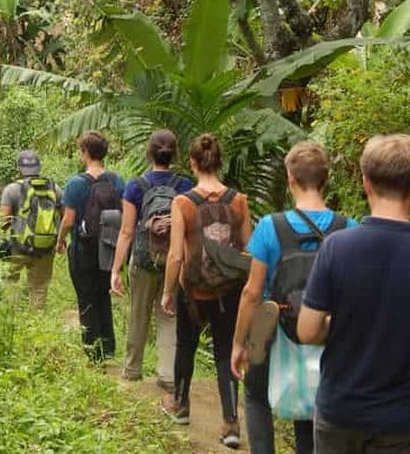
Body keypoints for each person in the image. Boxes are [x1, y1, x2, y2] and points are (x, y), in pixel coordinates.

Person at [298, 134, 410, 454]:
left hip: (340, 411)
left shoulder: (336, 248)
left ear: (366, 182)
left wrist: (350, 328)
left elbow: (307, 331)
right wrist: (408, 337)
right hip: (402, 419)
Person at [230, 141, 357, 454]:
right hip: (326, 332)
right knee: (313, 405)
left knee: (256, 396)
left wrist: (239, 343)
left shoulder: (270, 227)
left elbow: (251, 293)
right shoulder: (349, 229)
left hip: (272, 330)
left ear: (290, 178)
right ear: (326, 179)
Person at [160, 133, 252, 448]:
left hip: (193, 292)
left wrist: (167, 291)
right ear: (219, 162)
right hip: (229, 291)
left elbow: (176, 255)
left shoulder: (183, 202)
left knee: (185, 346)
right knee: (226, 353)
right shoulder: (239, 201)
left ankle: (181, 406)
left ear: (193, 163)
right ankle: (231, 424)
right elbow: (248, 251)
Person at [110, 129, 193, 391]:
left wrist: (116, 270)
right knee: (169, 316)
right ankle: (167, 374)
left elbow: (126, 231)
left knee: (138, 314)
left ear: (149, 153)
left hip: (143, 259)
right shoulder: (185, 186)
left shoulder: (136, 186)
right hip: (174, 260)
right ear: (174, 154)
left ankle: (132, 369)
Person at [58, 131, 125, 362]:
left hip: (83, 250)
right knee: (103, 297)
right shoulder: (116, 181)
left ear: (85, 153)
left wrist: (60, 240)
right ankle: (108, 348)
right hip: (108, 249)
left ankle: (93, 351)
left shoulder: (76, 183)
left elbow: (68, 220)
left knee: (86, 299)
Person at [0, 150, 62, 310]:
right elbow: (62, 216)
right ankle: (37, 319)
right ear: (39, 167)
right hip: (45, 247)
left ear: (19, 168)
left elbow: (5, 222)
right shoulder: (55, 188)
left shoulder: (11, 189)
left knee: (9, 279)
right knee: (39, 287)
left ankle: (11, 315)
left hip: (17, 246)